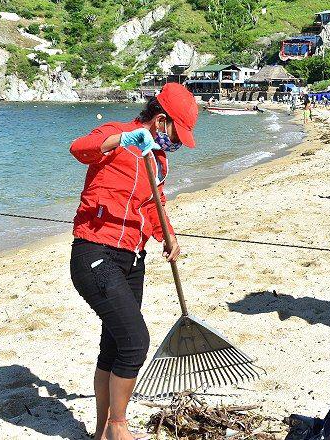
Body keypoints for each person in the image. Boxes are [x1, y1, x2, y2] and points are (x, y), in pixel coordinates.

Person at [69, 82, 198, 440]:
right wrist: (120, 142)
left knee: (113, 345)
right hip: (95, 252)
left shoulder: (159, 160)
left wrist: (167, 235)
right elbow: (79, 148)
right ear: (160, 121)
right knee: (136, 341)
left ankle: (100, 431)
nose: (178, 142)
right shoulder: (119, 133)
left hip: (132, 259)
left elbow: (153, 206)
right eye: (177, 132)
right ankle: (117, 426)